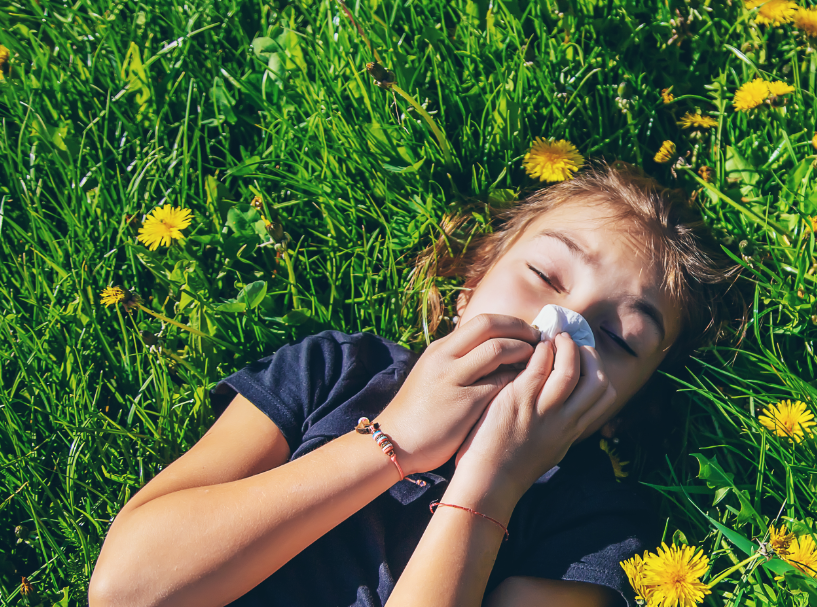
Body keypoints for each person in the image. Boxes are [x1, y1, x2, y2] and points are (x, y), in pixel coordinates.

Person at [89, 163, 743, 607]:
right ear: (472, 281)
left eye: (620, 337)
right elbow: (128, 586)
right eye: (546, 274)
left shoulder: (595, 523)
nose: (560, 326)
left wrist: (494, 482)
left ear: (622, 411)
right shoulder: (337, 372)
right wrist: (393, 440)